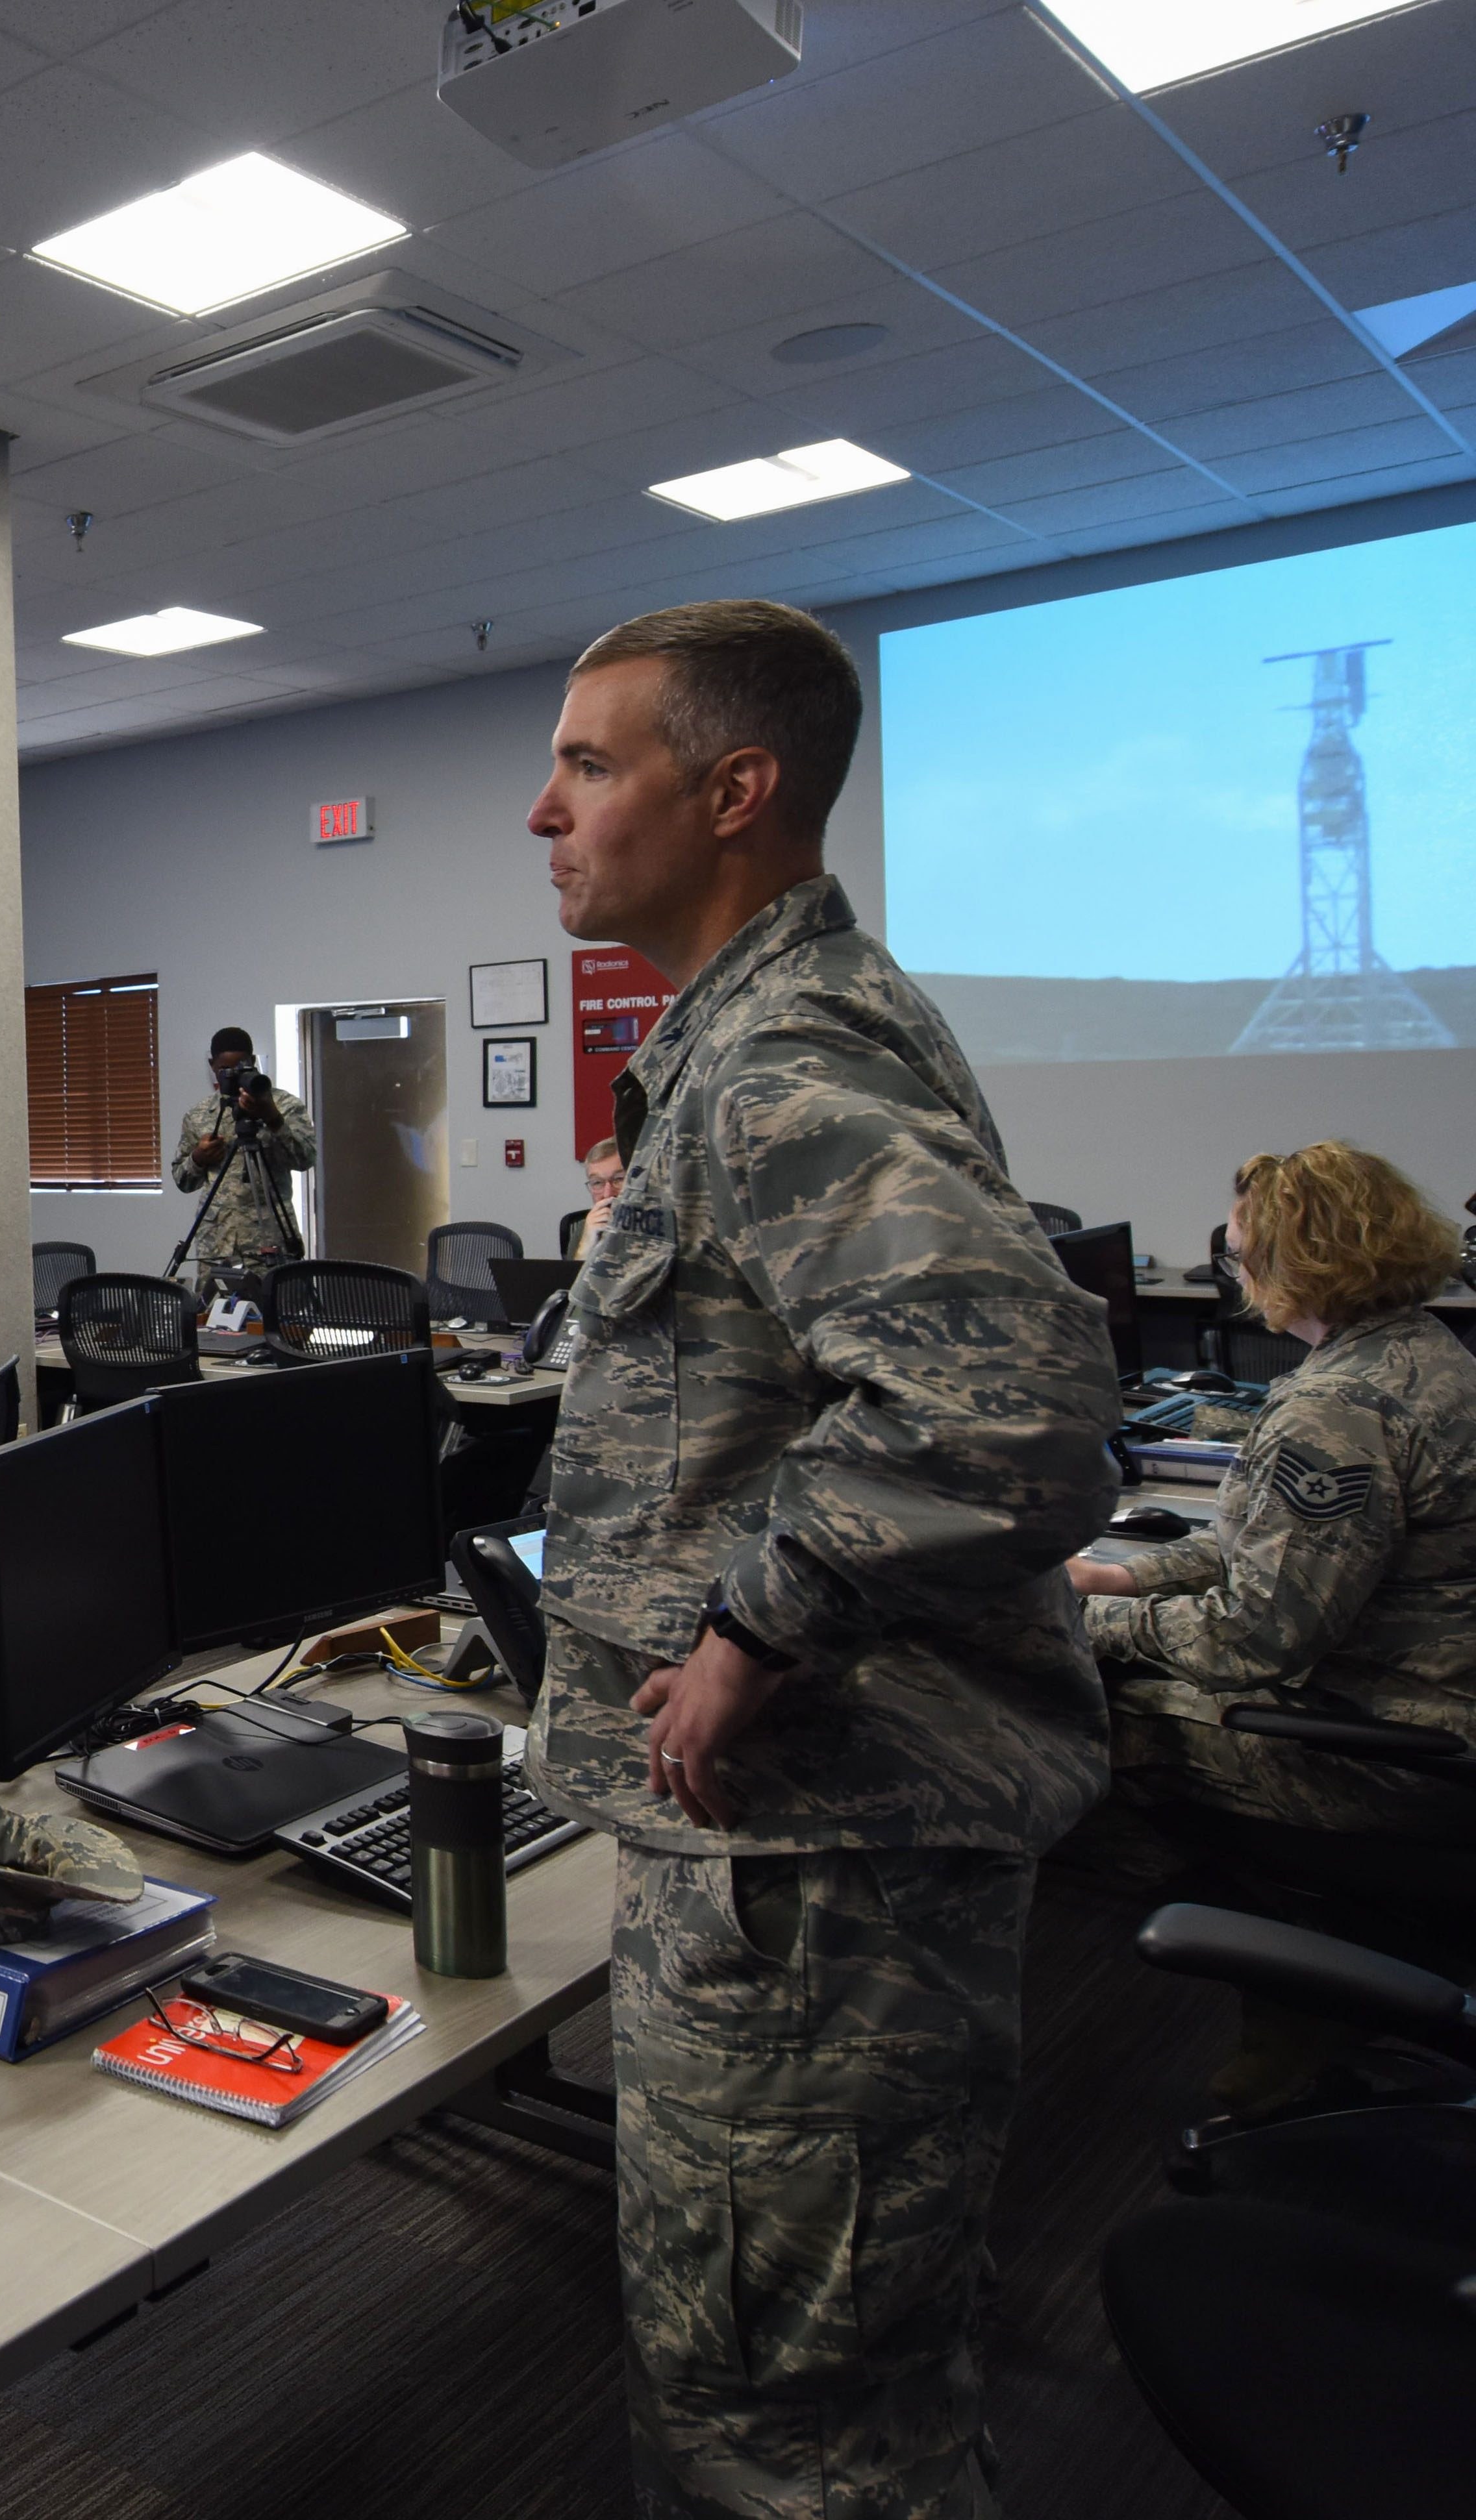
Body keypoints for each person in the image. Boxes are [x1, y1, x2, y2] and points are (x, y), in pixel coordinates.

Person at [523, 601, 1118, 2518]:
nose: (539, 809)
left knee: (782, 2438)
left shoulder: (778, 1041)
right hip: (801, 1858)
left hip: (812, 1867)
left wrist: (755, 1620)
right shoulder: (759, 1025)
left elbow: (1009, 1397)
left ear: (732, 792)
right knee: (811, 2397)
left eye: (587, 764)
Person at [1065, 1144, 1476, 2097]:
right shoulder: (1417, 1352)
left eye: (1241, 1254)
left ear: (1301, 1259)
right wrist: (1118, 1582)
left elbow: (1257, 1636)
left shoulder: (1336, 1408)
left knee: (1067, 1726)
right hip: (1431, 1708)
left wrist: (1083, 1631)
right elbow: (1270, 1543)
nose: (1237, 1273)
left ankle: (1301, 1989)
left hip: (1395, 1753)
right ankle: (1329, 1959)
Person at [169, 1026, 314, 1288]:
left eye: (241, 1066)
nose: (234, 1075)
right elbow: (182, 1181)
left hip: (271, 1240)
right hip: (216, 1243)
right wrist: (198, 1158)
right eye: (225, 1069)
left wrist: (273, 1119)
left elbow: (305, 1159)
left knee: (277, 1318)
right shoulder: (199, 1115)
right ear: (212, 1065)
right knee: (211, 1323)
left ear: (253, 1062)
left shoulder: (285, 1106)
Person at [569, 1136, 625, 1255]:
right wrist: (587, 1244)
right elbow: (573, 1274)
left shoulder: (658, 1227)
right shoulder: (586, 1227)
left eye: (619, 1179)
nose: (608, 1194)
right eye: (598, 1183)